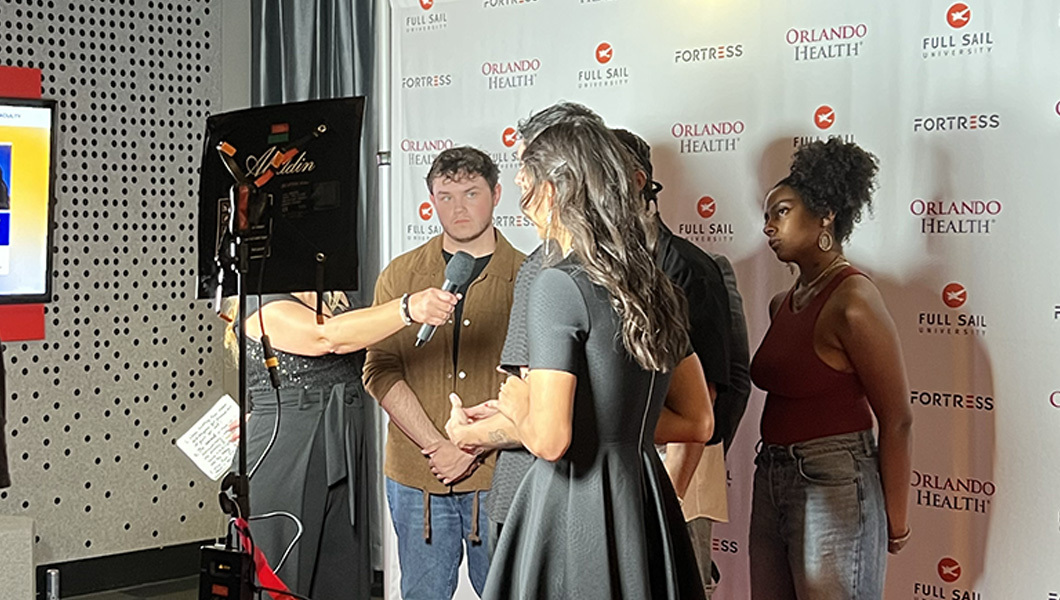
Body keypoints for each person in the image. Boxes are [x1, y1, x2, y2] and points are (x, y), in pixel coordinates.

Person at [467, 118, 713, 599]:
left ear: (555, 190)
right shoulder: (655, 284)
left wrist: (518, 405)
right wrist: (610, 423)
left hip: (573, 505)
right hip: (644, 500)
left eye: (526, 185)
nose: (523, 202)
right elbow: (698, 420)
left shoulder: (556, 283)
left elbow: (551, 439)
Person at [749, 139, 913, 599]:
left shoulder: (854, 301)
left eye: (780, 212)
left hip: (834, 479)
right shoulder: (781, 303)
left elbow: (898, 418)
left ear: (824, 216)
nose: (768, 227)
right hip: (771, 475)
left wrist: (894, 521)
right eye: (766, 216)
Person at [224, 285, 459, 599]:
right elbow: (325, 337)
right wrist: (408, 309)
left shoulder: (341, 299)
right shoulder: (260, 299)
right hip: (286, 449)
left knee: (339, 580)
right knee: (278, 581)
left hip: (341, 440)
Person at [361, 146, 524, 599]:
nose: (458, 208)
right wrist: (438, 446)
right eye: (446, 196)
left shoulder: (529, 275)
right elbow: (379, 369)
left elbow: (535, 382)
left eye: (471, 193)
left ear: (496, 194)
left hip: (500, 475)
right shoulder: (401, 274)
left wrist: (469, 449)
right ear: (431, 199)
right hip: (417, 477)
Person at [610, 128, 750, 599]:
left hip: (678, 480)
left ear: (635, 180)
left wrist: (666, 498)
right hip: (624, 475)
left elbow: (708, 397)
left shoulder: (687, 268)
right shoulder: (610, 267)